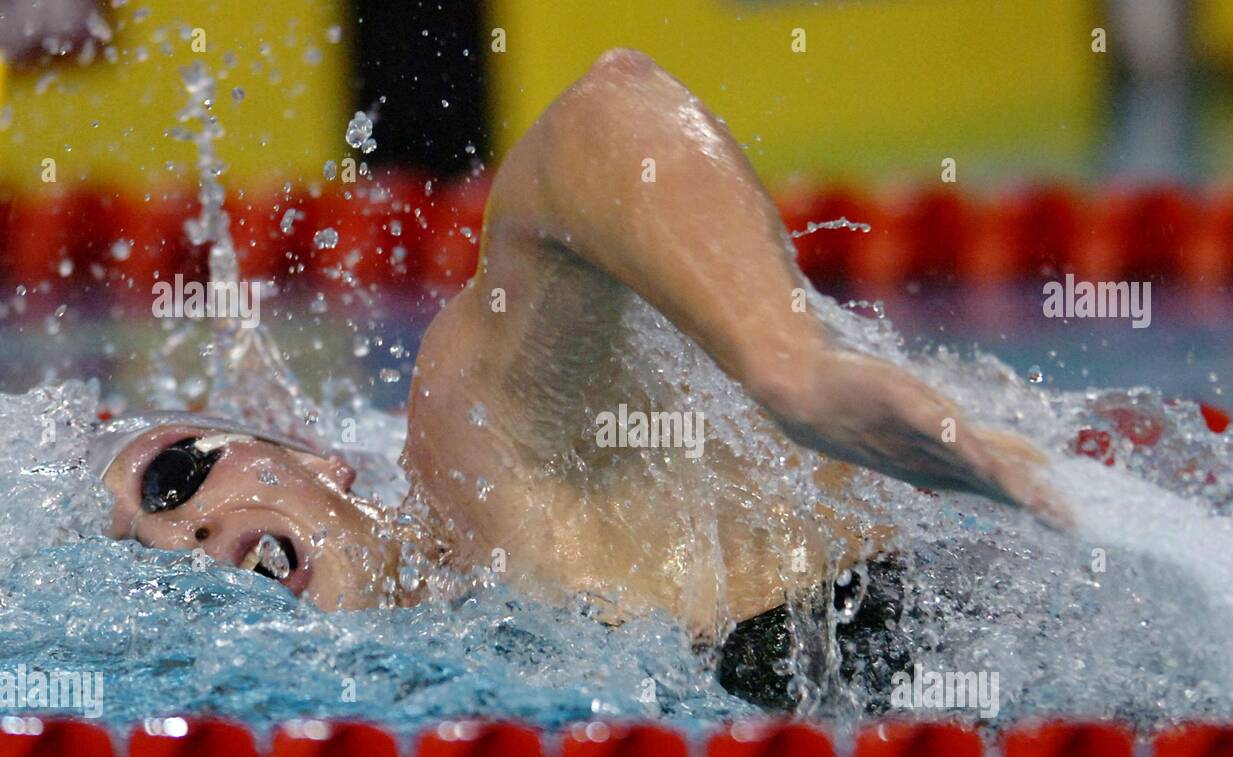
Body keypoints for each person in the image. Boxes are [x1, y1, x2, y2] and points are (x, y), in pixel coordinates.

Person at [93, 49, 1067, 663]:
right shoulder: (457, 662)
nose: (187, 539)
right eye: (158, 566)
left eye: (175, 475)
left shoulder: (473, 438)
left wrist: (786, 361)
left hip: (972, 615)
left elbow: (606, 111)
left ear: (314, 459)